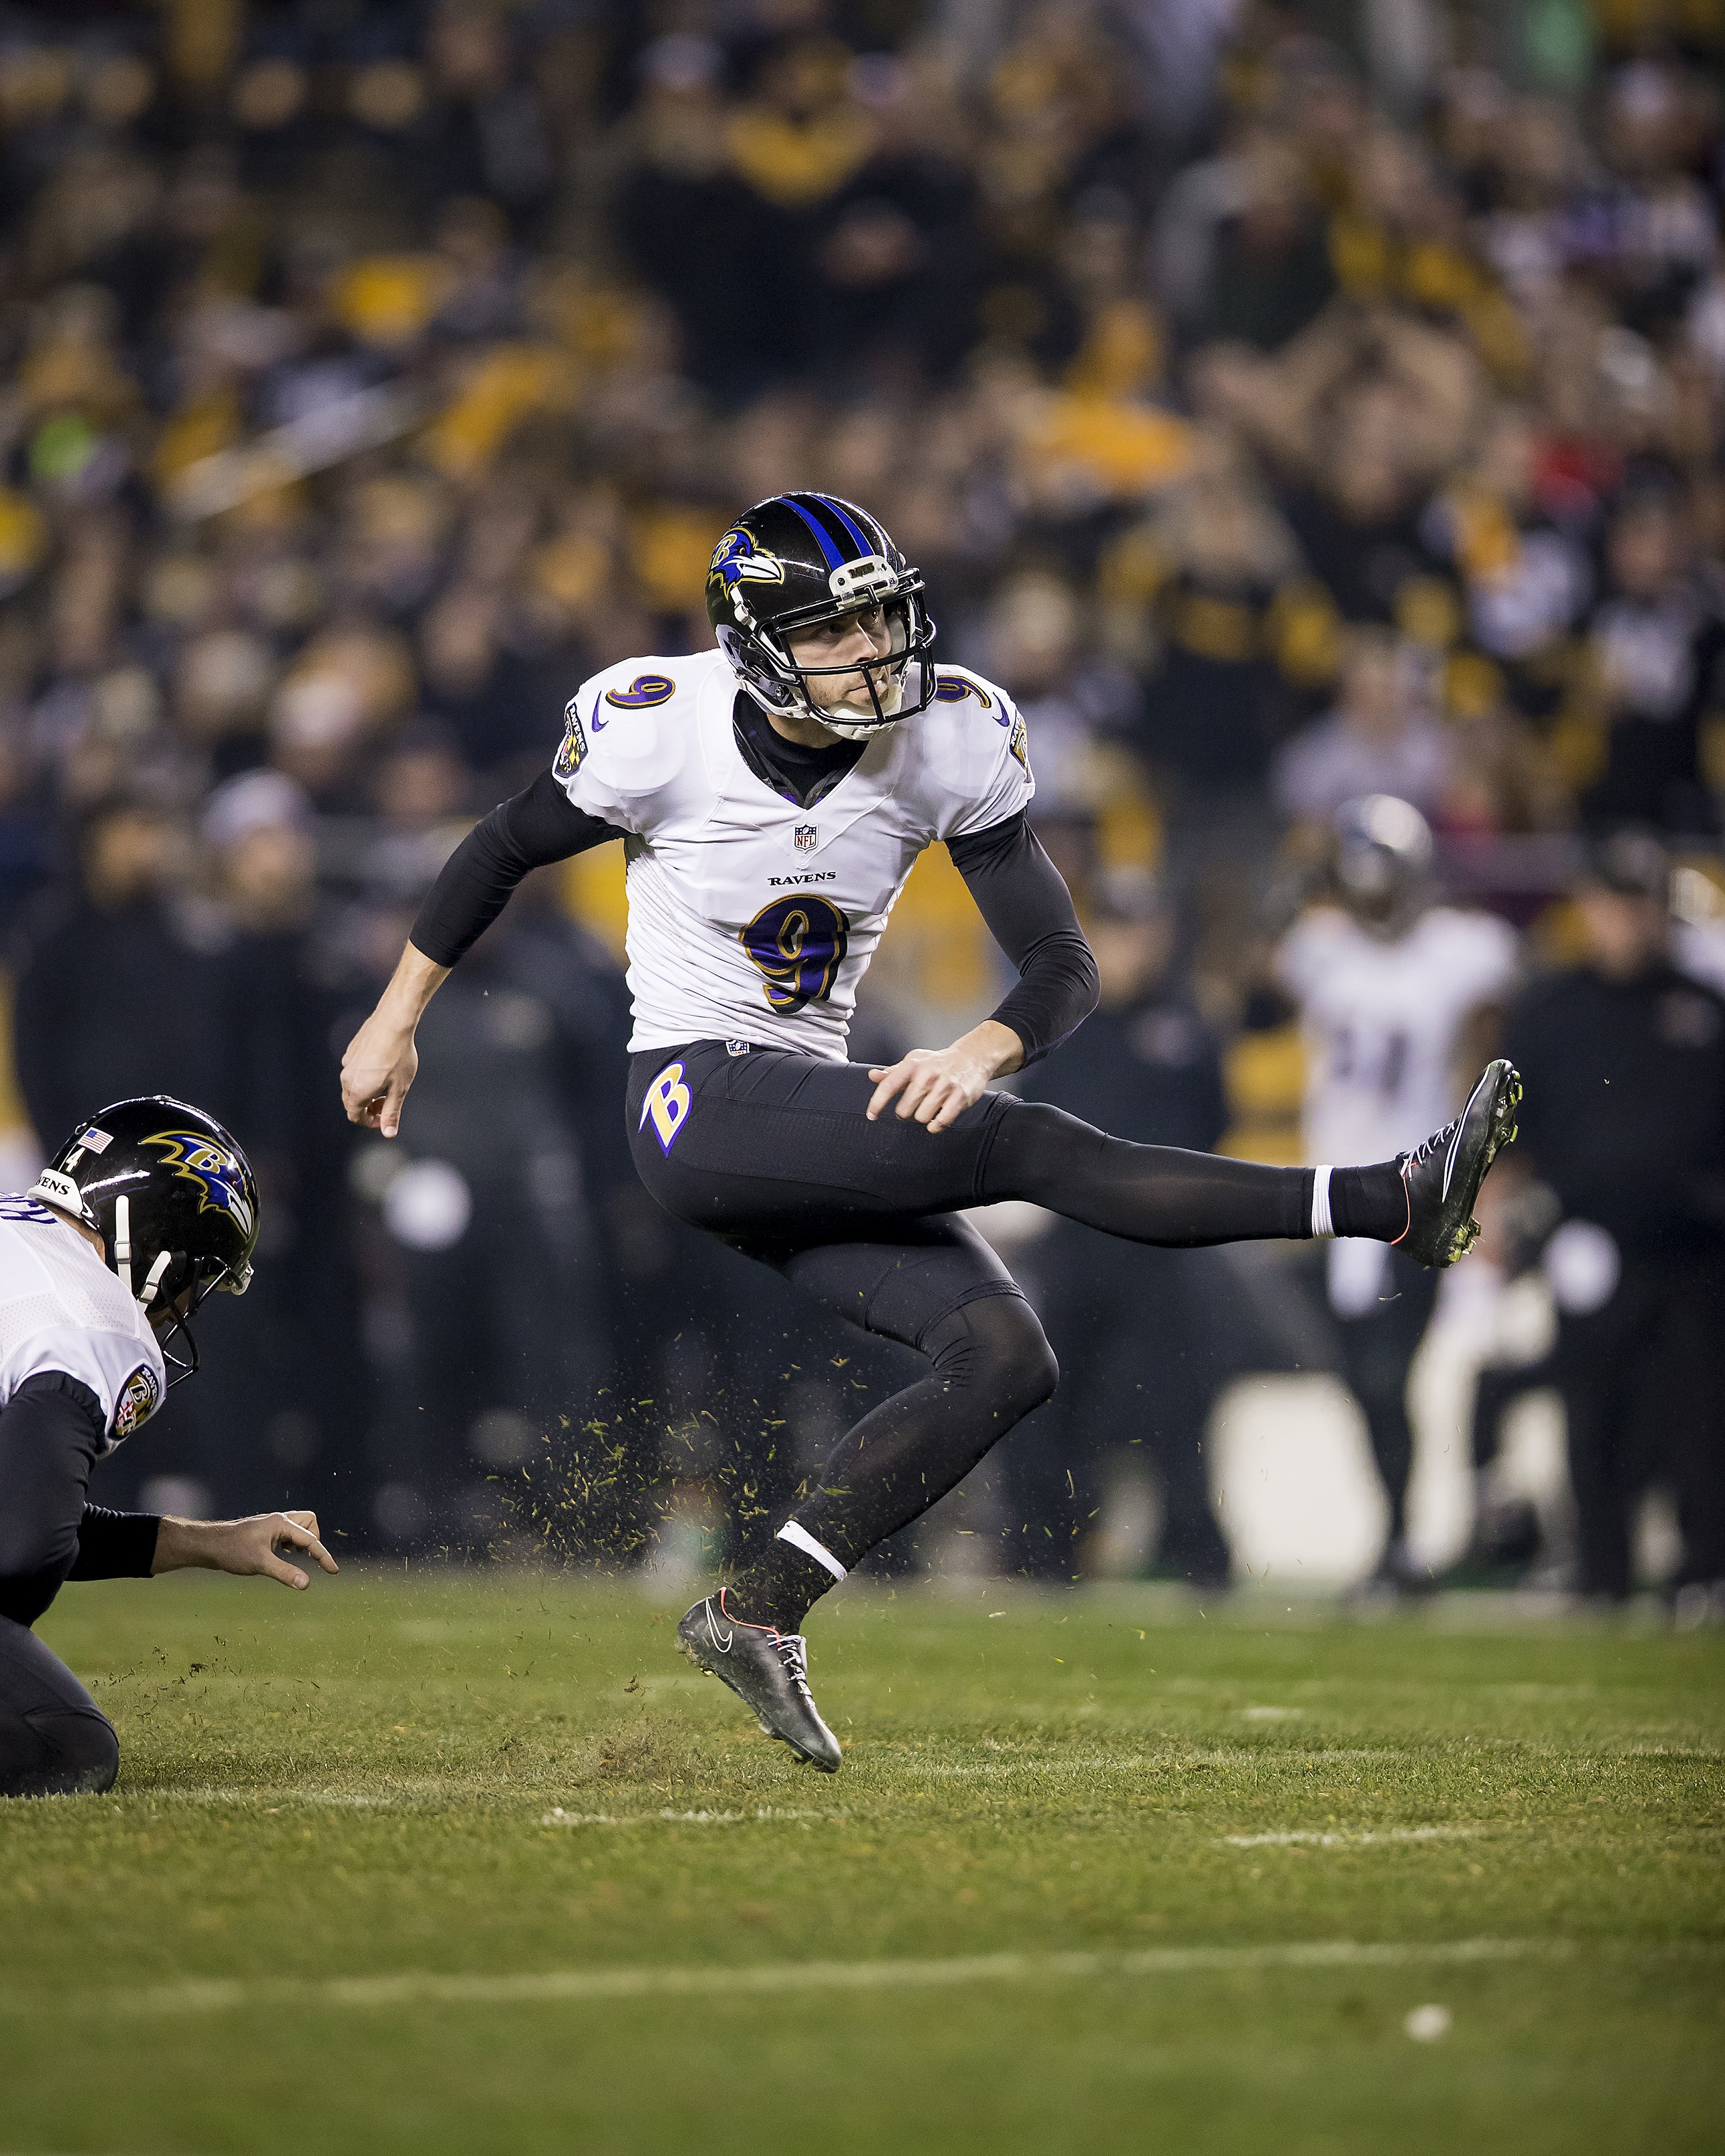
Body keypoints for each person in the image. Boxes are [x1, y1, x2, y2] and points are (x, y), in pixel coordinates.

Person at [341, 492, 1521, 1773]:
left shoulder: (949, 737)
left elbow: (1061, 961)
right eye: (840, 631)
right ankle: (1384, 1200)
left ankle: (761, 1608)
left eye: (882, 616)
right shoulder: (654, 727)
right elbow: (503, 845)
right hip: (691, 1100)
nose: (878, 649)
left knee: (1006, 1355)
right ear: (755, 641)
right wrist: (395, 1018)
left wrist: (978, 1045)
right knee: (1026, 1147)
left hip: (802, 1106)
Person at [0, 1097, 337, 1798]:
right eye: (195, 1278)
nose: (184, 1304)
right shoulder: (98, 1325)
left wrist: (205, 1544)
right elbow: (24, 1550)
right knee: (61, 1742)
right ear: (155, 1240)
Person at [1275, 794, 1521, 1594]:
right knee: (1361, 1382)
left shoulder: (1461, 953)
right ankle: (1398, 1543)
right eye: (1361, 886)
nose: (1373, 902)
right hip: (1330, 1193)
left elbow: (1489, 1060)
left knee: (1387, 1375)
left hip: (1415, 1193)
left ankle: (1409, 1543)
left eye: (1385, 885)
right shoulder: (1317, 947)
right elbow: (1237, 978)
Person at [1503, 833, 1725, 1610]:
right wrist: (1505, 1224)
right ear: (1587, 910)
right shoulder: (1549, 1010)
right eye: (1609, 905)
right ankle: (1601, 1577)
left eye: (1636, 905)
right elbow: (1506, 1135)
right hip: (1585, 1245)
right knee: (1591, 1418)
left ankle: (1703, 1571)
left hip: (1692, 1247)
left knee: (1699, 1422)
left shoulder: (1703, 1006)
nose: (1622, 923)